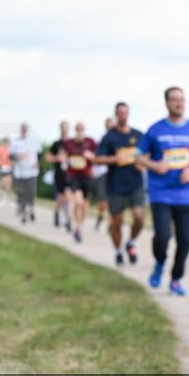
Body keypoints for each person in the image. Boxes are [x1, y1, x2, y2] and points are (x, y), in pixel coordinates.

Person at [137, 86, 189, 296]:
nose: (179, 103)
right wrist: (155, 166)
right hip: (160, 193)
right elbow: (139, 156)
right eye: (174, 99)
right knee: (162, 237)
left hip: (186, 195)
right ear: (166, 103)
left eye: (182, 99)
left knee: (186, 240)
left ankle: (176, 278)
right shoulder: (155, 129)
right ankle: (160, 262)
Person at [94, 102, 146, 266]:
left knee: (139, 217)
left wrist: (143, 163)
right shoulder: (110, 137)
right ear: (116, 115)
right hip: (116, 185)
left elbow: (149, 154)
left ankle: (131, 242)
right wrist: (114, 159)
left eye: (126, 113)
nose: (123, 116)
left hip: (135, 183)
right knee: (117, 222)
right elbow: (97, 158)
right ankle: (118, 251)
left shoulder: (138, 135)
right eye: (120, 113)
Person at [62, 121, 98, 243]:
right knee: (78, 201)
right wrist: (64, 159)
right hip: (73, 176)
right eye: (78, 129)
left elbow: (98, 156)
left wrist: (91, 156)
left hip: (86, 176)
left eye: (82, 129)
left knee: (84, 205)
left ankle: (80, 224)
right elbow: (62, 154)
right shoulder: (69, 143)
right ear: (75, 130)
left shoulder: (90, 142)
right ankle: (78, 228)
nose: (80, 132)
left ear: (85, 130)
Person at [9, 122, 41, 223]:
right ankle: (23, 213)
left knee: (31, 192)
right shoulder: (15, 142)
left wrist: (37, 162)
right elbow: (10, 156)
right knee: (21, 193)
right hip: (20, 171)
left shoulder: (34, 141)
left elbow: (39, 153)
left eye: (25, 129)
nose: (24, 131)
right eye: (22, 129)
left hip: (31, 171)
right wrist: (17, 157)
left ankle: (31, 209)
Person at [44, 121, 72, 231]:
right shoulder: (56, 144)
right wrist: (57, 158)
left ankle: (68, 220)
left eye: (66, 127)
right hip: (59, 174)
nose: (64, 129)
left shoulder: (72, 143)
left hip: (70, 174)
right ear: (60, 129)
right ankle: (57, 211)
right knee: (61, 198)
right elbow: (47, 158)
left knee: (68, 197)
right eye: (62, 127)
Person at [92, 117, 115, 231]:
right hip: (101, 173)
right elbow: (95, 157)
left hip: (114, 174)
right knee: (103, 201)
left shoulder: (118, 139)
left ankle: (111, 222)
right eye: (108, 125)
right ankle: (100, 215)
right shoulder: (100, 139)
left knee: (113, 199)